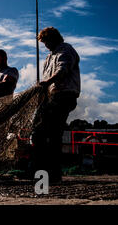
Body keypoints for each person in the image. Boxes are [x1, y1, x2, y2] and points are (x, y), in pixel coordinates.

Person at [32, 27, 81, 183]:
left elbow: (62, 69)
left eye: (46, 42)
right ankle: (44, 172)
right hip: (51, 97)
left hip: (64, 95)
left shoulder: (66, 50)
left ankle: (51, 174)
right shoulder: (48, 57)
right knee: (40, 131)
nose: (45, 45)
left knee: (51, 133)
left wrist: (48, 82)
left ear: (54, 38)